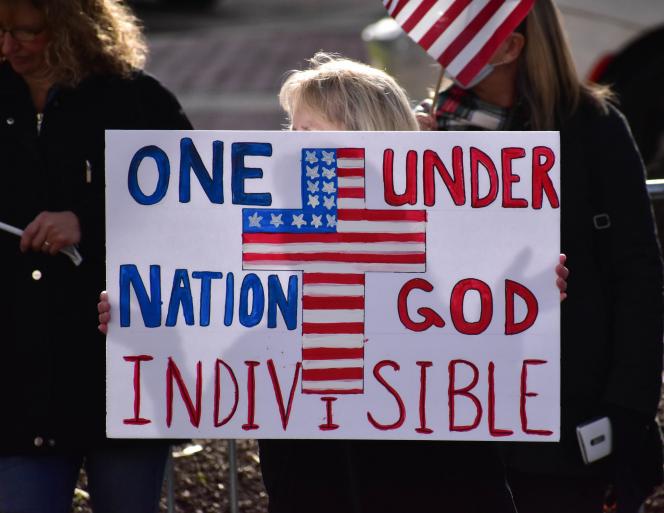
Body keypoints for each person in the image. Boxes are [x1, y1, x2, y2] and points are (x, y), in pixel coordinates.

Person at [97, 51, 569, 512]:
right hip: (315, 480)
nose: (291, 142)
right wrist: (144, 324)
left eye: (309, 130)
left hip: (438, 480)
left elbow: (487, 357)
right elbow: (220, 372)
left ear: (369, 135)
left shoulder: (456, 229)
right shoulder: (267, 240)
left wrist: (530, 301)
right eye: (292, 129)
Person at [417, 2, 663, 512]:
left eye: (463, 29)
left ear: (511, 46)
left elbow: (637, 275)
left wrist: (624, 412)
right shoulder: (424, 132)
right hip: (457, 416)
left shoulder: (594, 128)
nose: (441, 38)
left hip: (566, 421)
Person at [0, 1, 192, 512]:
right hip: (19, 384)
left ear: (71, 30)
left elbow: (192, 211)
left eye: (25, 32)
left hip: (121, 371)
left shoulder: (138, 101)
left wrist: (88, 222)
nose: (7, 46)